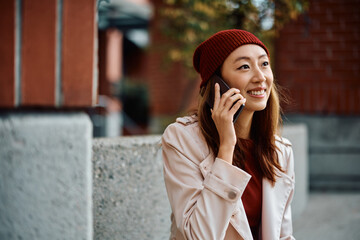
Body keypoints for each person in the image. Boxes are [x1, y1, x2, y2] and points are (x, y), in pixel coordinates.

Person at [162, 29, 295, 240]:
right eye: (244, 67)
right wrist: (226, 147)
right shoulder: (181, 139)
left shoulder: (280, 151)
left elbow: (283, 235)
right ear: (218, 84)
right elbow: (199, 235)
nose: (260, 77)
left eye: (264, 64)